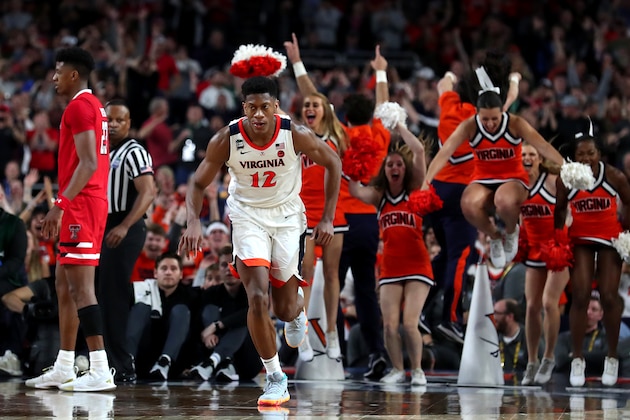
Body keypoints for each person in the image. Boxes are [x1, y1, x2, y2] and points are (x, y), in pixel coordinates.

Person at [178, 76, 342, 406]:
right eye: (251, 107)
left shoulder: (294, 133)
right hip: (247, 216)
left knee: (283, 308)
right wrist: (193, 221)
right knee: (255, 295)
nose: (258, 114)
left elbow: (333, 163)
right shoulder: (226, 138)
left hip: (286, 218)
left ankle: (297, 311)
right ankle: (275, 377)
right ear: (243, 108)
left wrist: (327, 217)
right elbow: (197, 183)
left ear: (276, 107)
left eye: (265, 107)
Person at [25, 47, 115, 392]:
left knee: (80, 288)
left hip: (81, 203)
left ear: (74, 75)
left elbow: (89, 163)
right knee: (63, 284)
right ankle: (64, 365)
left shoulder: (79, 106)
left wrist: (59, 205)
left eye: (59, 71)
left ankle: (100, 368)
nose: (54, 77)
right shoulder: (94, 105)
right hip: (84, 200)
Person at [422, 58, 564, 270]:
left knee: (503, 201)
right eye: (485, 119)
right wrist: (425, 182)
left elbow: (543, 146)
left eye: (494, 120)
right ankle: (495, 236)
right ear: (478, 113)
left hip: (513, 177)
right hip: (483, 178)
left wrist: (567, 166)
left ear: (502, 113)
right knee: (467, 204)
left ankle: (511, 231)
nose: (489, 124)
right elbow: (444, 153)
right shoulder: (471, 124)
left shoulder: (512, 121)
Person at [427, 57, 521, 345]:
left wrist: (449, 75)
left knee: (443, 255)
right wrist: (515, 80)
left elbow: (444, 83)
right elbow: (509, 100)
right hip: (461, 195)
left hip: (436, 192)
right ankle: (450, 318)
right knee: (461, 256)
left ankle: (424, 309)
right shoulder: (481, 119)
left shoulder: (449, 105)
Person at [349, 122, 432, 386]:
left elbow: (418, 151)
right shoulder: (380, 197)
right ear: (384, 171)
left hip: (418, 264)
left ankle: (417, 370)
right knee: (388, 325)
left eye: (398, 164)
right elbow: (354, 190)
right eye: (389, 165)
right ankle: (397, 369)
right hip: (391, 268)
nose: (394, 168)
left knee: (409, 324)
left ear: (405, 169)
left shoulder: (416, 189)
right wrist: (352, 165)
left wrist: (399, 127)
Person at [284, 33, 349, 361]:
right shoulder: (300, 133)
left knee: (333, 274)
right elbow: (310, 98)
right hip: (303, 212)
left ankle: (334, 334)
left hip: (332, 212)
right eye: (306, 105)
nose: (310, 107)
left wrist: (298, 63)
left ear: (326, 110)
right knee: (305, 273)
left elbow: (314, 94)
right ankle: (304, 334)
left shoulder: (337, 134)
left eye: (315, 105)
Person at [554, 128, 630, 387]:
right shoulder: (567, 178)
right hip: (581, 239)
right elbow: (560, 209)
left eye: (591, 153)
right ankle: (577, 359)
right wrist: (558, 240)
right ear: (574, 157)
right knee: (581, 295)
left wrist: (626, 232)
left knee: (609, 296)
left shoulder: (614, 176)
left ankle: (612, 356)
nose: (586, 158)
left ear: (599, 153)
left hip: (609, 238)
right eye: (581, 154)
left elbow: (629, 201)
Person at [337, 49, 391, 380]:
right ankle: (377, 354)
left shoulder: (339, 138)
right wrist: (381, 73)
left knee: (332, 288)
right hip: (370, 221)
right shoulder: (381, 136)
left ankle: (335, 355)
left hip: (341, 220)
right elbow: (385, 107)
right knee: (366, 292)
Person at [98, 99, 156, 383]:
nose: (114, 124)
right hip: (102, 225)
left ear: (129, 123)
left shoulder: (134, 151)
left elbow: (148, 192)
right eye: (110, 119)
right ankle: (104, 360)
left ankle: (122, 364)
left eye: (120, 120)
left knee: (113, 295)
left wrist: (123, 225)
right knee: (99, 293)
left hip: (125, 224)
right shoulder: (100, 152)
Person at [518, 143, 570, 385]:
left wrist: (563, 234)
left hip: (557, 249)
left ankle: (549, 356)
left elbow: (570, 211)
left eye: (532, 154)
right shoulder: (516, 186)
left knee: (550, 303)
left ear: (539, 159)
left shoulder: (552, 181)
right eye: (523, 155)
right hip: (533, 250)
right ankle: (532, 361)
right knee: (531, 307)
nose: (527, 158)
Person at [189, 245, 262, 382]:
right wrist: (207, 334)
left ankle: (214, 361)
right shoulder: (210, 293)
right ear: (218, 268)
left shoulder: (252, 293)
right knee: (210, 310)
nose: (229, 269)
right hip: (213, 352)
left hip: (247, 361)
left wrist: (216, 326)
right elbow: (199, 323)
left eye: (234, 265)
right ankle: (222, 362)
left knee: (246, 320)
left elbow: (252, 313)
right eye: (224, 265)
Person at [127, 252, 194, 380]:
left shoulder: (190, 296)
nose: (168, 272)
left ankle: (164, 361)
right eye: (164, 268)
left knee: (181, 310)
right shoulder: (137, 290)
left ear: (181, 274)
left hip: (173, 361)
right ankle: (127, 361)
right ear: (155, 273)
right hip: (142, 351)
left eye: (173, 269)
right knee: (141, 306)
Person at [494, 298, 532, 373]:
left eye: (496, 313)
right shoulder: (493, 338)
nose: (493, 317)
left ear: (510, 317)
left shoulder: (529, 338)